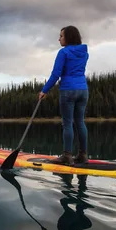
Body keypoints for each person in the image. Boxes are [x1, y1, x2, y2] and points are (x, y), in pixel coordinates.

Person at [38, 26, 89, 165]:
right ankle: (83, 155)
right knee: (80, 122)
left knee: (67, 124)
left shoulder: (63, 52)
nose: (59, 39)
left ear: (68, 38)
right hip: (83, 90)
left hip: (68, 90)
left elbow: (56, 74)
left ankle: (67, 156)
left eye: (61, 36)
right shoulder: (84, 53)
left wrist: (44, 90)